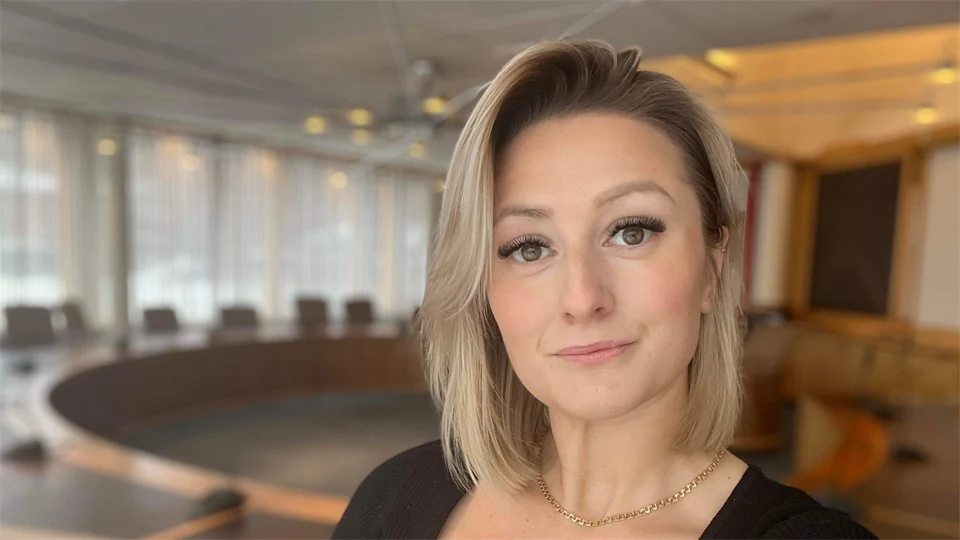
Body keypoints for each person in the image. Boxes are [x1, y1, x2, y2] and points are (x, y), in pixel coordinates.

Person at [332, 40, 877, 540]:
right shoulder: (392, 498)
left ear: (713, 267)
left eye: (631, 231)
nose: (582, 298)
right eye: (528, 247)